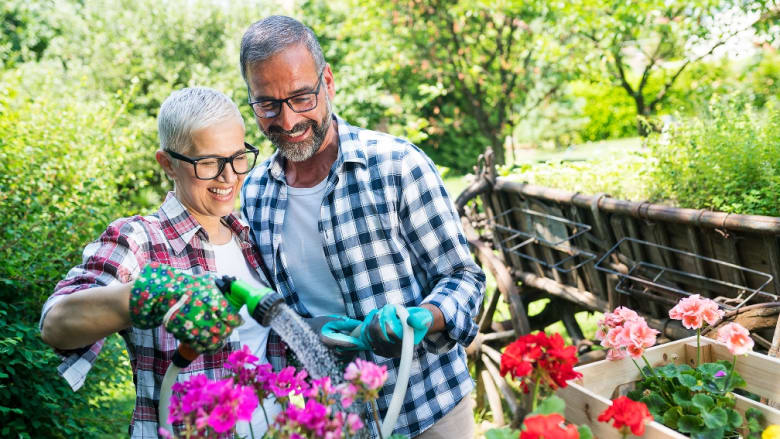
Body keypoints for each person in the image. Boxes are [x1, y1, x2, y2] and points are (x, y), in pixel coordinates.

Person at [239, 16, 486, 438]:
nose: (287, 120)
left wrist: (420, 318)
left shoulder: (397, 165)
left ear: (328, 83)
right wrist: (304, 331)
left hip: (429, 409)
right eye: (267, 104)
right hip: (336, 422)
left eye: (301, 97)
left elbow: (464, 278)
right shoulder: (254, 194)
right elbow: (270, 310)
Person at [40, 87, 280, 438]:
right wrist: (153, 293)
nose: (229, 177)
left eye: (237, 157)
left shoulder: (253, 237)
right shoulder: (141, 239)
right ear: (167, 163)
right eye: (208, 163)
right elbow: (55, 323)